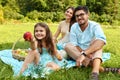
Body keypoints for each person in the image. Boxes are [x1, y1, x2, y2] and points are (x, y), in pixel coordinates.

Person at [64, 6, 106, 80]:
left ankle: (95, 73)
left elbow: (101, 40)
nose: (79, 17)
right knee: (67, 46)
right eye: (77, 16)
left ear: (88, 15)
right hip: (78, 51)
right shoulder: (74, 26)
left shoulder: (95, 25)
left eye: (82, 14)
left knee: (98, 44)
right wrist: (83, 53)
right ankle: (101, 68)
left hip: (91, 50)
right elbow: (74, 44)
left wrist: (85, 54)